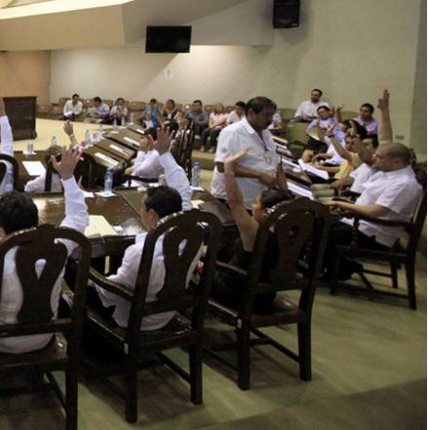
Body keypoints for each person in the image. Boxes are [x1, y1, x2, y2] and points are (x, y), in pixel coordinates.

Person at [0, 144, 87, 353]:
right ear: (35, 221)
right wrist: (67, 177)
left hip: (0, 341)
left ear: (1, 230)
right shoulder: (59, 247)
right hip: (44, 335)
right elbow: (78, 217)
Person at [91, 126, 196, 330]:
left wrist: (91, 279)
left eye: (142, 206)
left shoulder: (141, 252)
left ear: (151, 215)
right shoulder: (192, 233)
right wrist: (165, 154)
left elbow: (111, 291)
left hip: (134, 319)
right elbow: (183, 190)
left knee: (82, 283)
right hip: (168, 310)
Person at [209, 147, 294, 310]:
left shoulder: (256, 233)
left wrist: (228, 168)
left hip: (240, 293)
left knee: (196, 265)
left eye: (256, 203)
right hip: (267, 293)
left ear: (265, 212)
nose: (253, 206)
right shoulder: (291, 232)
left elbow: (235, 203)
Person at [322, 142, 422, 280]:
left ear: (396, 161)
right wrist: (345, 204)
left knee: (319, 230)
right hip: (361, 224)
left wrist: (342, 204)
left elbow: (377, 211)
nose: (374, 158)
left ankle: (338, 269)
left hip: (372, 234)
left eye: (379, 156)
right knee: (314, 221)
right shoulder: (387, 174)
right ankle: (335, 267)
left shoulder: (404, 183)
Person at [210, 96, 286, 207]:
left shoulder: (266, 133)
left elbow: (277, 164)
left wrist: (286, 193)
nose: (270, 120)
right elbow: (222, 166)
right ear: (251, 113)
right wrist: (259, 175)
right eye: (266, 115)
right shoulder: (232, 132)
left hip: (258, 199)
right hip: (234, 200)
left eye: (271, 115)